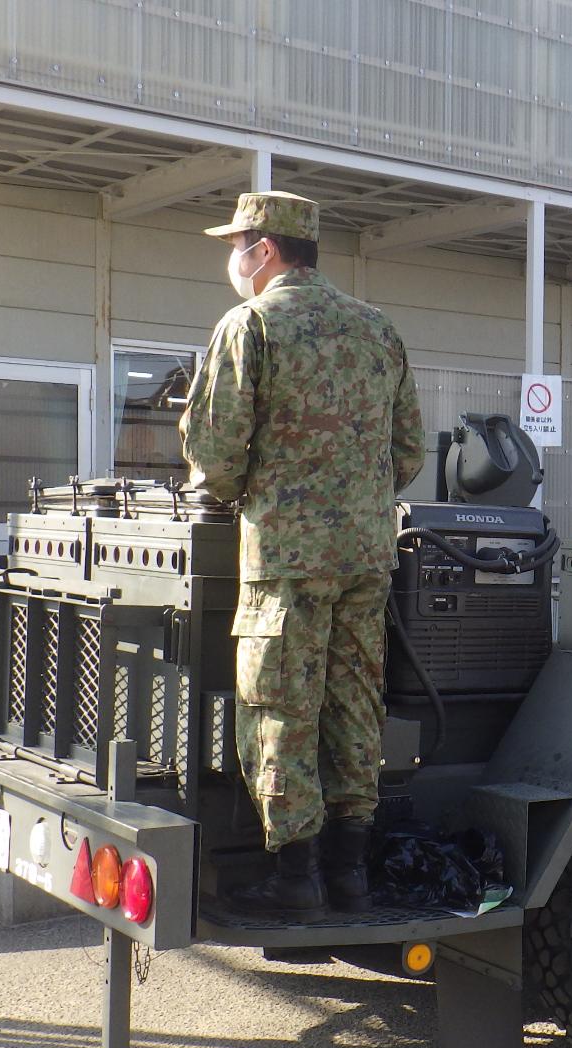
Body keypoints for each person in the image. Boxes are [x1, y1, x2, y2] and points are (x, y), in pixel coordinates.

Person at [181, 190, 424, 919]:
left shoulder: (251, 324)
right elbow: (409, 450)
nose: (234, 259)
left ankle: (296, 882)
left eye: (238, 246)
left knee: (281, 709)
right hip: (367, 557)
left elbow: (215, 456)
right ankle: (349, 875)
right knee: (354, 704)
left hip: (286, 559)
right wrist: (354, 496)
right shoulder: (378, 329)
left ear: (265, 250)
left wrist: (262, 492)